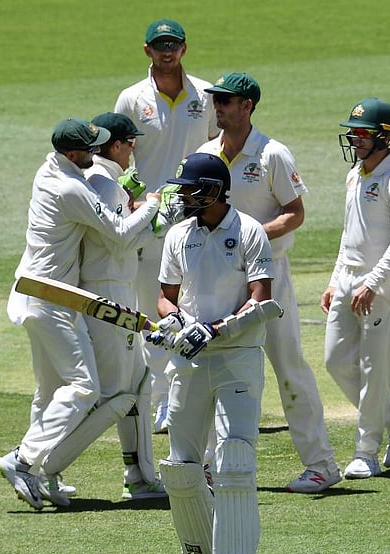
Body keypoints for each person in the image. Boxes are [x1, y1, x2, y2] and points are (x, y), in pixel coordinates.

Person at [0, 118, 160, 509]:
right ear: (73, 154)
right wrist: (153, 204)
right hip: (50, 298)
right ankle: (22, 460)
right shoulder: (71, 188)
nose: (96, 152)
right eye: (89, 148)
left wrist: (121, 192)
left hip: (35, 292)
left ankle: (43, 474)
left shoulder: (49, 170)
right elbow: (119, 234)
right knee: (84, 388)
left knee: (50, 391)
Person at [196, 72, 340, 493]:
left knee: (288, 366)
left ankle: (321, 465)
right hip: (217, 279)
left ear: (247, 106)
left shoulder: (272, 154)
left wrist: (253, 236)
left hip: (269, 275)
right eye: (216, 100)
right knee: (209, 366)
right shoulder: (206, 154)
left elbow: (295, 212)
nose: (218, 106)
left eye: (227, 100)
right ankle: (207, 465)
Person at [150, 152, 277, 554]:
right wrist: (180, 321)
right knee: (181, 467)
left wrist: (217, 328)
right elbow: (165, 298)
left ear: (216, 191)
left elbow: (261, 299)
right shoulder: (178, 235)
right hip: (189, 360)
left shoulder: (248, 232)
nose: (182, 195)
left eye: (190, 188)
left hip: (237, 357)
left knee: (234, 461)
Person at [114, 18, 218, 434]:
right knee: (151, 311)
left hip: (196, 218)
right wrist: (132, 198)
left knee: (192, 304)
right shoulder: (131, 98)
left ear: (184, 48)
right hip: (150, 223)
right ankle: (162, 400)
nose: (167, 51)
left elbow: (217, 151)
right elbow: (117, 155)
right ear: (147, 51)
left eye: (173, 44)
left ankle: (193, 392)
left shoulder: (206, 95)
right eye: (160, 46)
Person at [322, 97, 390, 480]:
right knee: (334, 360)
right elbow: (350, 234)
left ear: (384, 137)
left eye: (362, 133)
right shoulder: (355, 174)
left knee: (373, 369)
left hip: (383, 284)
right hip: (348, 278)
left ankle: (366, 452)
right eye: (353, 133)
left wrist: (373, 283)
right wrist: (335, 281)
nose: (355, 139)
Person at [81, 112, 166, 499]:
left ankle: (140, 475)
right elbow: (120, 241)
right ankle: (37, 461)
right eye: (131, 142)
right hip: (108, 294)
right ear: (116, 145)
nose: (134, 149)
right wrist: (153, 208)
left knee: (138, 384)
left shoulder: (105, 181)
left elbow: (125, 239)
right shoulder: (102, 181)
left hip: (113, 290)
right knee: (117, 393)